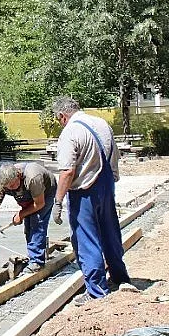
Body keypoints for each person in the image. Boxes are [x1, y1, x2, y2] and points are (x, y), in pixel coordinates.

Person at [51, 96, 132, 300]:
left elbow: (67, 171)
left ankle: (97, 291)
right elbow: (115, 155)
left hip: (84, 191)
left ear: (62, 116)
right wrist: (112, 179)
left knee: (86, 239)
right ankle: (120, 277)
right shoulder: (101, 123)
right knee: (110, 234)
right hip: (106, 186)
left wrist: (58, 201)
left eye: (58, 120)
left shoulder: (70, 132)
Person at [0, 162, 56, 273]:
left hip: (45, 191)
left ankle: (37, 262)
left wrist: (21, 214)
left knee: (37, 222)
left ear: (18, 175)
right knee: (28, 225)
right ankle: (34, 254)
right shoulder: (3, 182)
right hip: (29, 192)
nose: (11, 188)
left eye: (13, 185)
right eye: (8, 187)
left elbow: (39, 204)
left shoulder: (33, 177)